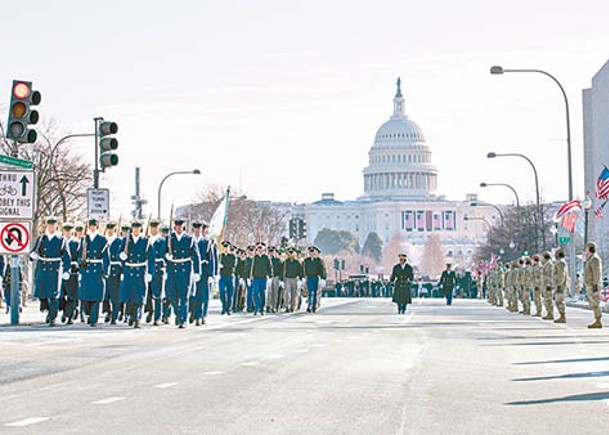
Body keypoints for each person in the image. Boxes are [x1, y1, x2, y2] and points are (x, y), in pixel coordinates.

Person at [30, 217, 71, 326]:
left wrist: (67, 270)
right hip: (43, 266)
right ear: (46, 225)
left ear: (56, 226)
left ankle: (53, 316)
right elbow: (34, 250)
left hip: (55, 268)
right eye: (49, 224)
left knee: (53, 294)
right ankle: (48, 310)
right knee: (41, 293)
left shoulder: (61, 239)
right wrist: (33, 255)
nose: (51, 227)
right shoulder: (41, 238)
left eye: (53, 225)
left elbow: (66, 256)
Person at [165, 218, 200, 328]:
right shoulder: (169, 238)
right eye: (177, 226)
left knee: (184, 296)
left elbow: (196, 255)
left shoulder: (189, 239)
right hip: (172, 269)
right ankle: (178, 313)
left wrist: (197, 272)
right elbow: (162, 252)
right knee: (171, 294)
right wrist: (166, 256)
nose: (178, 228)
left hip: (185, 269)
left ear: (183, 227)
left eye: (180, 226)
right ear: (174, 227)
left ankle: (183, 320)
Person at [119, 221, 155, 328]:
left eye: (137, 229)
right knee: (129, 296)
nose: (135, 231)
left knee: (139, 297)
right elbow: (119, 253)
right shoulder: (126, 240)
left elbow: (151, 258)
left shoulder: (145, 241)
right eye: (134, 229)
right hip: (129, 269)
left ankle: (137, 319)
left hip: (140, 270)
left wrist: (150, 272)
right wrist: (121, 256)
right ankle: (130, 315)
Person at [77, 218, 110, 327]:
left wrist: (106, 270)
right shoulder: (84, 239)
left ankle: (94, 318)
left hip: (97, 269)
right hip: (87, 269)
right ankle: (87, 314)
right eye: (90, 225)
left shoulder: (102, 239)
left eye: (94, 225)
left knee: (96, 295)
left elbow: (106, 256)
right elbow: (79, 254)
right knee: (86, 295)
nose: (92, 227)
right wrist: (80, 265)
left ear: (97, 227)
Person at [191, 221, 217, 325]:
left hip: (204, 270)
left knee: (203, 295)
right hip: (192, 270)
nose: (197, 232)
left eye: (199, 230)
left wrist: (212, 274)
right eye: (196, 230)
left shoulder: (206, 242)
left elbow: (212, 259)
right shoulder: (190, 240)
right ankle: (194, 314)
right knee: (193, 295)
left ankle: (201, 316)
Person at [148, 222, 168, 326]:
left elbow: (166, 255)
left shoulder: (163, 241)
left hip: (158, 268)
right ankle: (150, 311)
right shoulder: (146, 240)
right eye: (152, 228)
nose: (153, 230)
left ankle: (158, 317)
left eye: (155, 228)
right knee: (146, 294)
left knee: (158, 295)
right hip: (146, 269)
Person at [104, 222, 123, 324]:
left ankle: (115, 315)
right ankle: (108, 312)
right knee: (105, 295)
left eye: (112, 229)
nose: (110, 231)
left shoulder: (120, 241)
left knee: (115, 295)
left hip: (116, 269)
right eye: (109, 229)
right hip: (106, 269)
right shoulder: (104, 241)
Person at [249, 242, 273, 316]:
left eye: (261, 249)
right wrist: (250, 277)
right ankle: (257, 307)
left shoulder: (266, 257)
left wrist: (270, 276)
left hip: (263, 278)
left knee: (263, 294)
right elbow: (252, 268)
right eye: (258, 249)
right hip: (256, 278)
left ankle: (262, 308)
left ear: (263, 250)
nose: (260, 250)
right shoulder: (255, 257)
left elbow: (270, 268)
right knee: (255, 292)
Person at [584, 241, 603, 328]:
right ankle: (597, 319)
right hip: (590, 284)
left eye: (586, 248)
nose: (585, 250)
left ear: (590, 248)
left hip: (593, 285)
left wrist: (595, 284)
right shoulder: (590, 258)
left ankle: (598, 320)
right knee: (593, 303)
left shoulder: (594, 259)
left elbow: (597, 273)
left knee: (595, 303)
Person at [303, 246, 326, 313]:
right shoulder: (306, 261)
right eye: (310, 252)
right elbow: (304, 269)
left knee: (315, 293)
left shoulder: (318, 261)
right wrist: (304, 277)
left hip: (316, 278)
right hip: (309, 278)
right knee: (311, 292)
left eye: (312, 252)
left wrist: (323, 278)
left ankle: (314, 306)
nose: (311, 253)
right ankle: (309, 306)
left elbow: (322, 270)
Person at [219, 241, 237, 315]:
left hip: (230, 276)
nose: (226, 249)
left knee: (230, 293)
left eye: (227, 247)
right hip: (222, 276)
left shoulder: (233, 256)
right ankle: (224, 306)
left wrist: (223, 265)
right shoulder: (220, 256)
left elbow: (233, 265)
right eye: (224, 247)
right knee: (222, 291)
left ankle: (229, 308)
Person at [283, 248, 304, 312]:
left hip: (295, 279)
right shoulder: (286, 262)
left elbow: (300, 271)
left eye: (292, 252)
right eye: (290, 252)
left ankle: (293, 306)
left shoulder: (297, 262)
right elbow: (283, 271)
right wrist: (282, 279)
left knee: (294, 294)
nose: (291, 254)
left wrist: (301, 279)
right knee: (287, 293)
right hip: (288, 279)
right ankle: (287, 306)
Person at [553, 248, 568, 323]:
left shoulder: (560, 263)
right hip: (559, 285)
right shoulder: (559, 262)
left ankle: (563, 316)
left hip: (560, 285)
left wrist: (559, 284)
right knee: (558, 301)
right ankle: (562, 315)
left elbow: (561, 275)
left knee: (559, 301)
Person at [541, 251, 554, 320]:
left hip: (548, 284)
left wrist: (549, 284)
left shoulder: (549, 264)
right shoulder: (546, 264)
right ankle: (548, 312)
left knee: (548, 299)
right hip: (545, 284)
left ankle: (550, 313)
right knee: (546, 299)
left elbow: (550, 275)